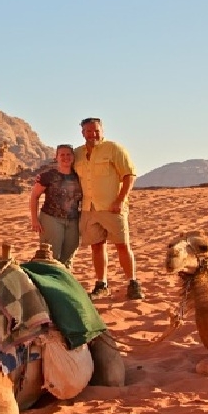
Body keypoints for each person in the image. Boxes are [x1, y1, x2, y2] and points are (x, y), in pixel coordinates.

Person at [73, 117, 143, 300]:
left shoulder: (114, 149)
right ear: (83, 133)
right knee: (97, 246)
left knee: (122, 245)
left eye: (96, 130)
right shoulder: (77, 154)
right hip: (89, 208)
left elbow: (129, 175)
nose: (93, 134)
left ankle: (132, 282)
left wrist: (121, 199)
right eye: (89, 131)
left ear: (102, 131)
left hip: (112, 207)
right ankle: (101, 284)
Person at [29, 144, 82, 268]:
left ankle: (64, 285)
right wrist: (34, 219)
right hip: (51, 219)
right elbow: (34, 196)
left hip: (73, 220)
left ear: (73, 157)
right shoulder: (48, 176)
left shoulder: (80, 176)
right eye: (62, 155)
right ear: (56, 157)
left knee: (68, 257)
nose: (65, 157)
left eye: (68, 154)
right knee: (51, 256)